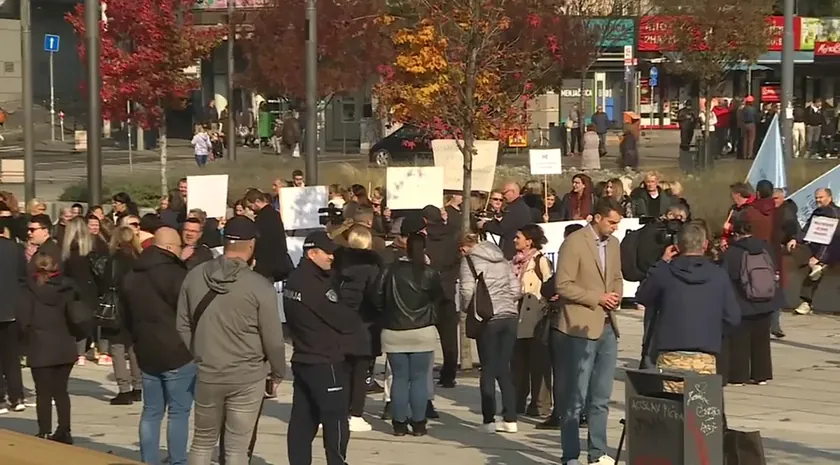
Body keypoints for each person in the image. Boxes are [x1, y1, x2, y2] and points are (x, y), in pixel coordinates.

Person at [177, 216, 286, 465]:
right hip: (247, 375)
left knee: (202, 441)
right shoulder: (259, 286)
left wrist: (199, 352)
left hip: (208, 371)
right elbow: (273, 339)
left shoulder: (194, 276)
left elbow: (182, 324)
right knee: (237, 447)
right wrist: (278, 372)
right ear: (251, 245)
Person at [551, 199, 623, 465]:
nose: (615, 228)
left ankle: (598, 452)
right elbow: (563, 284)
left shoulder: (614, 244)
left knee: (601, 396)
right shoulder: (575, 243)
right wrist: (597, 297)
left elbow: (616, 276)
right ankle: (570, 455)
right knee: (575, 397)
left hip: (607, 325)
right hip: (578, 327)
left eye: (618, 223)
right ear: (596, 218)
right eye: (611, 222)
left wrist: (616, 295)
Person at [636, 222, 740, 392]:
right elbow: (733, 318)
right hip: (705, 355)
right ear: (705, 245)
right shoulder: (718, 276)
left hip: (670, 353)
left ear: (677, 246)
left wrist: (661, 262)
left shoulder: (665, 273)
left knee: (672, 410)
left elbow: (642, 297)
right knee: (702, 411)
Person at [283, 231, 357, 464]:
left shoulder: (295, 279)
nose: (332, 258)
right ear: (311, 253)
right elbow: (343, 319)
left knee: (302, 422)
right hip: (325, 360)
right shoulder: (313, 285)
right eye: (328, 253)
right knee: (335, 421)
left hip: (304, 357)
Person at [121, 227, 193, 465]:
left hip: (146, 350)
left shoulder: (133, 273)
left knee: (151, 412)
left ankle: (148, 460)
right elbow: (190, 312)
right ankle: (177, 461)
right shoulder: (177, 274)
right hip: (178, 351)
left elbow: (126, 316)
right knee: (178, 412)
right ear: (171, 248)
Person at [375, 231, 443, 437]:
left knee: (400, 378)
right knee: (420, 378)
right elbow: (439, 298)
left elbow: (376, 297)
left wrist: (387, 313)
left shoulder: (389, 271)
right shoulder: (429, 272)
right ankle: (419, 423)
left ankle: (399, 423)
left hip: (394, 329)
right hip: (422, 329)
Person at [17, 251, 83, 444]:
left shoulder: (28, 289)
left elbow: (24, 319)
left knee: (43, 392)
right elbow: (76, 317)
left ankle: (44, 430)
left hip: (40, 345)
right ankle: (65, 430)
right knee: (61, 391)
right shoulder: (67, 287)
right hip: (64, 344)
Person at [459, 233, 522, 433]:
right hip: (510, 316)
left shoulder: (469, 261)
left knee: (487, 368)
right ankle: (511, 419)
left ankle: (488, 421)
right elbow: (516, 288)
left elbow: (467, 291)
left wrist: (469, 309)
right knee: (504, 367)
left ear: (465, 247)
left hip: (488, 317)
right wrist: (506, 301)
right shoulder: (502, 258)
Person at [333, 226, 383, 433]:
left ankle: (337, 411)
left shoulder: (336, 265)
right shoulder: (373, 268)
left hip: (340, 323)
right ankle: (355, 414)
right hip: (365, 324)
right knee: (360, 372)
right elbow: (376, 297)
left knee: (340, 371)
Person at [720, 220, 780, 386]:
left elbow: (725, 277)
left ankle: (739, 376)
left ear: (736, 233)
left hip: (742, 301)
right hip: (766, 300)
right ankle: (762, 375)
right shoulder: (766, 248)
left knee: (740, 340)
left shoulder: (733, 252)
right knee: (762, 340)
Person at [511, 225, 553, 418]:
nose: (514, 239)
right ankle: (517, 401)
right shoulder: (514, 262)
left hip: (535, 314)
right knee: (518, 362)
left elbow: (550, 286)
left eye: (518, 236)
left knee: (538, 362)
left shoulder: (540, 261)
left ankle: (540, 404)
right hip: (516, 313)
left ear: (529, 241)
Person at [100, 226, 143, 403]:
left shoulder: (113, 259)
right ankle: (138, 386)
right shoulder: (139, 258)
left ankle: (124, 389)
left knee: (117, 348)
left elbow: (107, 282)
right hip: (135, 307)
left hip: (117, 307)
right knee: (133, 349)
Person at [421, 205, 460, 389]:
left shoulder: (423, 238)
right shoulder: (454, 236)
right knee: (449, 336)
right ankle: (449, 374)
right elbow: (457, 262)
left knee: (424, 335)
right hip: (448, 289)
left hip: (428, 291)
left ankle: (424, 373)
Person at [60, 217, 99, 367]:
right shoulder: (91, 249)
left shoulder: (67, 252)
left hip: (72, 290)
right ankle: (85, 352)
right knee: (85, 321)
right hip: (90, 289)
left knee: (74, 321)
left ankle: (78, 353)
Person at [794, 188, 840, 315]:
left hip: (832, 249)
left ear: (830, 198)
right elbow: (807, 229)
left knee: (813, 272)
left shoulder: (834, 213)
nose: (818, 200)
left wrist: (819, 258)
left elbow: (831, 239)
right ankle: (817, 266)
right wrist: (795, 239)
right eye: (816, 197)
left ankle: (806, 302)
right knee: (797, 251)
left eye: (821, 197)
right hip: (816, 247)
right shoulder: (817, 212)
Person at [0, 215, 26, 413]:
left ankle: (0, 398)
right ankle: (17, 398)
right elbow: (23, 278)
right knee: (12, 357)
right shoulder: (16, 249)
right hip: (13, 309)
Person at [243, 188, 294, 282]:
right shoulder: (274, 214)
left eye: (251, 206)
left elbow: (261, 241)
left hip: (267, 265)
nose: (251, 210)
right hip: (279, 261)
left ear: (257, 201)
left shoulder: (262, 218)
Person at [480, 182, 533, 260]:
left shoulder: (516, 209)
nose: (503, 196)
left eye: (504, 193)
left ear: (512, 192)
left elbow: (504, 229)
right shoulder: (518, 206)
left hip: (512, 251)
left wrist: (484, 225)